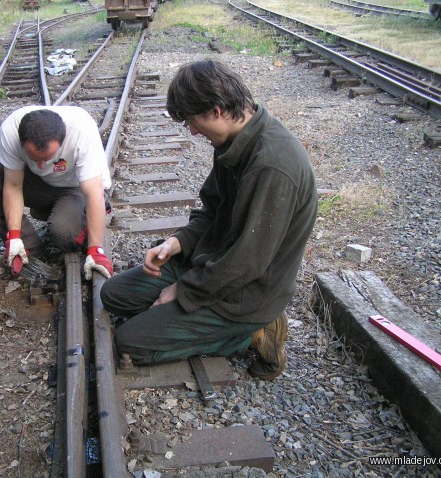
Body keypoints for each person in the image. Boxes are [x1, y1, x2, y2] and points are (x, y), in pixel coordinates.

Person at [100, 59, 317, 380]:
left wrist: (184, 291)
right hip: (213, 265)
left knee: (131, 343)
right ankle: (190, 316)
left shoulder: (272, 166)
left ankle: (252, 333)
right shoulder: (233, 140)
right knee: (114, 295)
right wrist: (177, 243)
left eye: (193, 120)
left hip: (245, 293)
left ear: (216, 110)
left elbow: (248, 262)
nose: (191, 130)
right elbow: (212, 210)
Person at [0, 105, 113, 279]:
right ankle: (28, 249)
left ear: (62, 141)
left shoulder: (81, 132)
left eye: (48, 158)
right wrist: (14, 235)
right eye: (34, 158)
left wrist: (95, 250)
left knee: (64, 236)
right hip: (39, 184)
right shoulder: (11, 131)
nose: (42, 166)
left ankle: (81, 220)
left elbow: (93, 194)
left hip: (78, 188)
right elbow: (13, 186)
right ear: (22, 142)